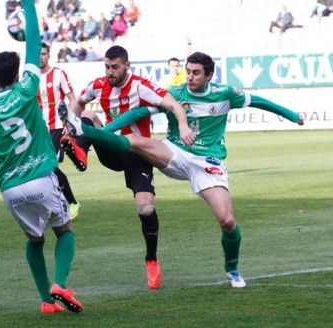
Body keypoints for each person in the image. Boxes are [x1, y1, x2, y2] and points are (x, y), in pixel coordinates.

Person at [60, 51, 303, 288]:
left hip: (209, 163)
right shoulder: (175, 93)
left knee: (227, 221)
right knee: (134, 140)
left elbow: (258, 102)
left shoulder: (225, 93)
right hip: (175, 153)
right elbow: (139, 112)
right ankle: (85, 133)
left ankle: (233, 268)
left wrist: (292, 115)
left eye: (196, 73)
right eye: (188, 72)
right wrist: (106, 131)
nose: (190, 77)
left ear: (209, 75)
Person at [0, 0, 83, 315]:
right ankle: (59, 283)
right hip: (42, 176)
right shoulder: (28, 87)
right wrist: (29, 5)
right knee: (65, 230)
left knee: (34, 240)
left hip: (11, 190)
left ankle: (46, 302)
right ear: (17, 73)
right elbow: (34, 41)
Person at [69, 45, 196, 290]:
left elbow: (173, 105)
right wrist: (70, 126)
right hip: (112, 149)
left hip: (137, 154)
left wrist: (182, 126)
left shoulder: (140, 86)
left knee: (146, 208)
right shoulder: (97, 85)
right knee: (89, 119)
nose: (109, 72)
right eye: (106, 67)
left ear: (127, 65)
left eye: (115, 67)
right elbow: (78, 104)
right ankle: (80, 154)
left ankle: (151, 259)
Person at [37, 42, 83, 219]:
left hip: (57, 126)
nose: (40, 57)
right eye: (38, 54)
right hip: (40, 130)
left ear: (49, 55)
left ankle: (71, 203)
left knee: (50, 167)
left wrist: (68, 124)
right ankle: (60, 204)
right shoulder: (31, 77)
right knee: (44, 168)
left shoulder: (58, 74)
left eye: (43, 54)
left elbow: (72, 99)